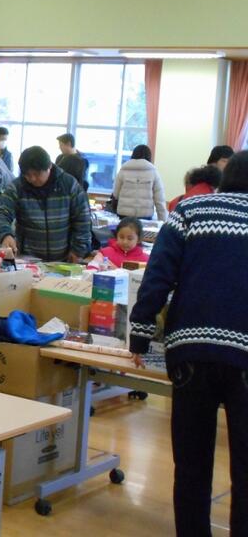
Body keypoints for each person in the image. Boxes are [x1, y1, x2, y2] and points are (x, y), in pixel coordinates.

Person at [129, 151, 248, 537]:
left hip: (190, 351)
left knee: (192, 464)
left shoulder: (190, 211)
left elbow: (157, 276)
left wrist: (140, 334)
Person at [0, 146, 91, 262]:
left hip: (64, 260)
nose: (32, 179)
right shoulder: (17, 187)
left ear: (49, 166)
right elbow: (1, 213)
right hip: (27, 260)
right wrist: (5, 235)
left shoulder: (69, 185)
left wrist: (78, 250)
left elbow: (82, 219)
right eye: (27, 175)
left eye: (37, 174)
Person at [113, 144, 167, 220]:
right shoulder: (153, 172)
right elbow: (160, 200)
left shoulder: (123, 170)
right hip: (145, 216)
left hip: (124, 215)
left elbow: (115, 194)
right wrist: (163, 220)